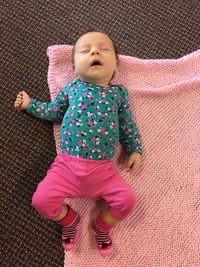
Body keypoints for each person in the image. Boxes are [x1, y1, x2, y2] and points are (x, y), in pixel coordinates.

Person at [14, 29, 143, 256]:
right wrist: (30, 104)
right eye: (85, 50)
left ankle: (101, 226)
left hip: (103, 171)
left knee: (128, 201)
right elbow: (54, 112)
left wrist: (135, 150)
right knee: (40, 201)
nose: (95, 51)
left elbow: (128, 125)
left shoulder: (118, 94)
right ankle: (69, 219)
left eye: (104, 49)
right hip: (66, 167)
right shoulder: (73, 88)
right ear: (74, 68)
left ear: (116, 66)